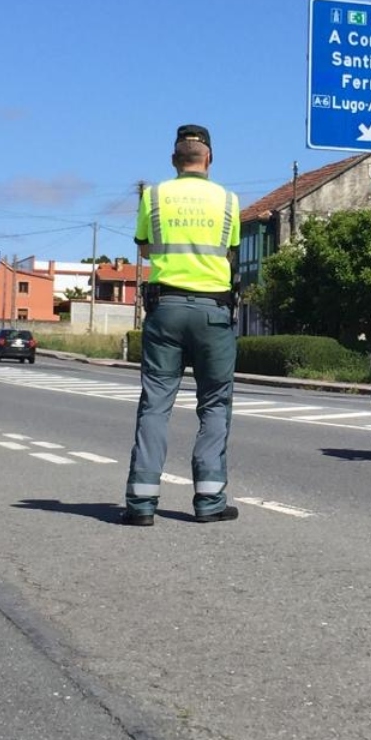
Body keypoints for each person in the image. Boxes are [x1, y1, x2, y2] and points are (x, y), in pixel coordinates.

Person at [122, 124, 242, 526]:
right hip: (213, 313)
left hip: (166, 308)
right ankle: (209, 501)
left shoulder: (153, 195)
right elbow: (229, 252)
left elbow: (143, 246)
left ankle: (141, 504)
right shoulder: (228, 201)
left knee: (155, 403)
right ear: (209, 158)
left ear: (174, 160)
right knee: (214, 404)